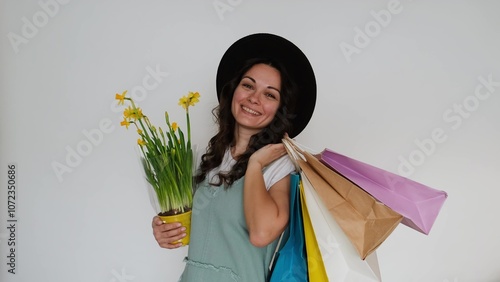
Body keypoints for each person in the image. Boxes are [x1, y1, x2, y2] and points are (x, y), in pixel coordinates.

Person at [151, 33, 316, 282]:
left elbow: (261, 234)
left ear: (280, 109)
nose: (254, 99)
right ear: (234, 91)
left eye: (269, 94)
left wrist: (255, 164)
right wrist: (165, 229)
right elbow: (208, 230)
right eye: (248, 85)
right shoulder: (211, 158)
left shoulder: (280, 167)